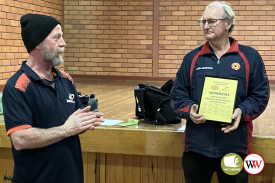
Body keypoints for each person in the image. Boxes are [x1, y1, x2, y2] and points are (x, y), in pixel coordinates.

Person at [170, 1, 269, 183]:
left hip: (234, 147)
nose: (206, 26)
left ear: (228, 23)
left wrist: (242, 111)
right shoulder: (192, 58)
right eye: (203, 21)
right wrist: (190, 110)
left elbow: (260, 95)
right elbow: (177, 94)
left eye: (212, 21)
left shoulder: (249, 57)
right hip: (196, 149)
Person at [2, 13, 104, 183]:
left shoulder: (66, 80)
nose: (63, 43)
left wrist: (86, 121)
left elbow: (74, 123)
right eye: (57, 38)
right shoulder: (17, 86)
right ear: (38, 44)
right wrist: (66, 130)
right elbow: (20, 139)